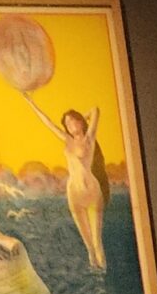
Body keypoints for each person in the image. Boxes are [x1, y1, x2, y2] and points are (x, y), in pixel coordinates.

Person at [22, 94, 109, 271]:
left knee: (97, 242)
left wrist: (82, 117)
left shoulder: (89, 137)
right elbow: (48, 123)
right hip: (74, 193)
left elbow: (95, 110)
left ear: (80, 122)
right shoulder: (67, 139)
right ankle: (95, 277)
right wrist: (31, 103)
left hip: (92, 191)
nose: (70, 125)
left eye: (73, 120)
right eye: (67, 123)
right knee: (90, 249)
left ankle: (104, 277)